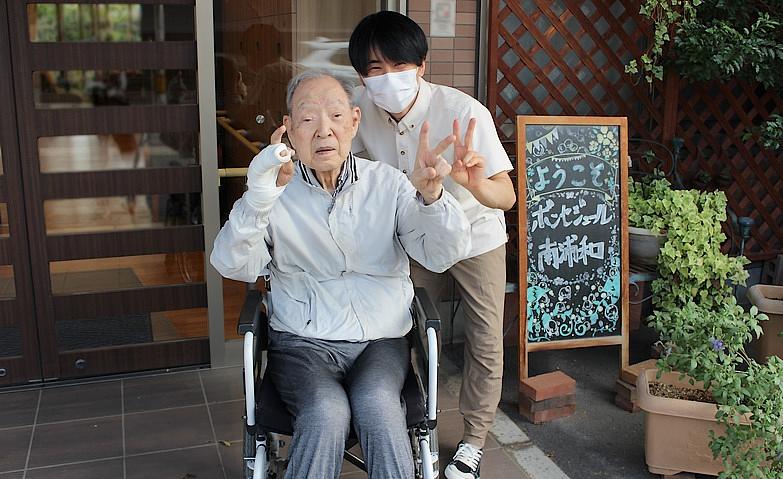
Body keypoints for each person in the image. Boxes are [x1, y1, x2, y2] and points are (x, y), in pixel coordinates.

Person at [210, 69, 471, 479]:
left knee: (379, 406)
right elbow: (231, 263)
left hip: (380, 342)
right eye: (308, 119)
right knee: (325, 411)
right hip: (302, 343)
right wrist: (259, 196)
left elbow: (442, 254)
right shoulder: (274, 194)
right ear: (289, 131)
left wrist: (432, 196)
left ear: (354, 121)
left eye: (334, 116)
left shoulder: (389, 184)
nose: (323, 131)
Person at [349, 11, 516, 479]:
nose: (388, 79)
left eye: (399, 66)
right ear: (361, 76)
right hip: (414, 237)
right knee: (409, 331)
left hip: (475, 234)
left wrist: (475, 183)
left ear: (422, 65)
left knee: (484, 338)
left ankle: (474, 438)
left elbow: (507, 196)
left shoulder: (464, 112)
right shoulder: (359, 110)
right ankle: (419, 425)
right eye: (375, 70)